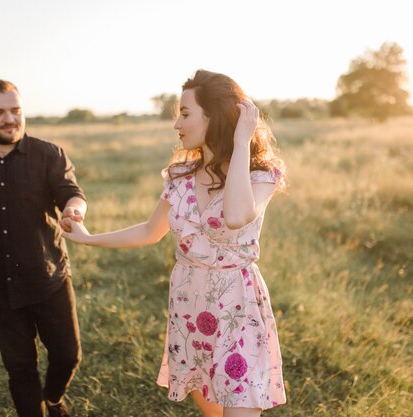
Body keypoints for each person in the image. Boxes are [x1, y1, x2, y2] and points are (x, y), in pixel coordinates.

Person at [63, 69, 287, 417]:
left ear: (214, 116)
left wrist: (242, 143)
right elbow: (150, 231)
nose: (176, 124)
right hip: (189, 301)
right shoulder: (180, 175)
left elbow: (237, 215)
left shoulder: (261, 174)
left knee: (240, 406)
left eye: (185, 113)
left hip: (237, 305)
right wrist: (89, 239)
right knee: (209, 403)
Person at [0, 79, 87, 417]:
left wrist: (75, 209)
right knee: (20, 368)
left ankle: (53, 398)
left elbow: (71, 191)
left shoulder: (48, 153)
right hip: (0, 286)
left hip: (50, 276)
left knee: (68, 355)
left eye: (16, 110)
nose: (10, 119)